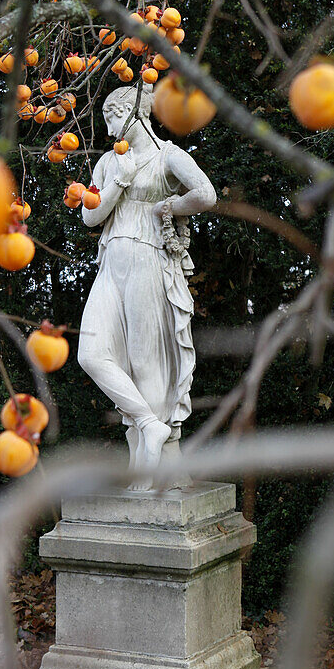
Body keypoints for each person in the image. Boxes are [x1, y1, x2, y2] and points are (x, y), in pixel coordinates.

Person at [78, 84, 216, 490]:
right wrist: (118, 182)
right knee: (91, 353)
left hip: (148, 259)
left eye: (111, 117)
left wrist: (169, 206)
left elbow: (205, 194)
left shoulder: (167, 156)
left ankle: (150, 461)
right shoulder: (109, 162)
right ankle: (147, 425)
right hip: (111, 263)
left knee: (145, 360)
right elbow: (90, 218)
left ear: (133, 112)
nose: (108, 130)